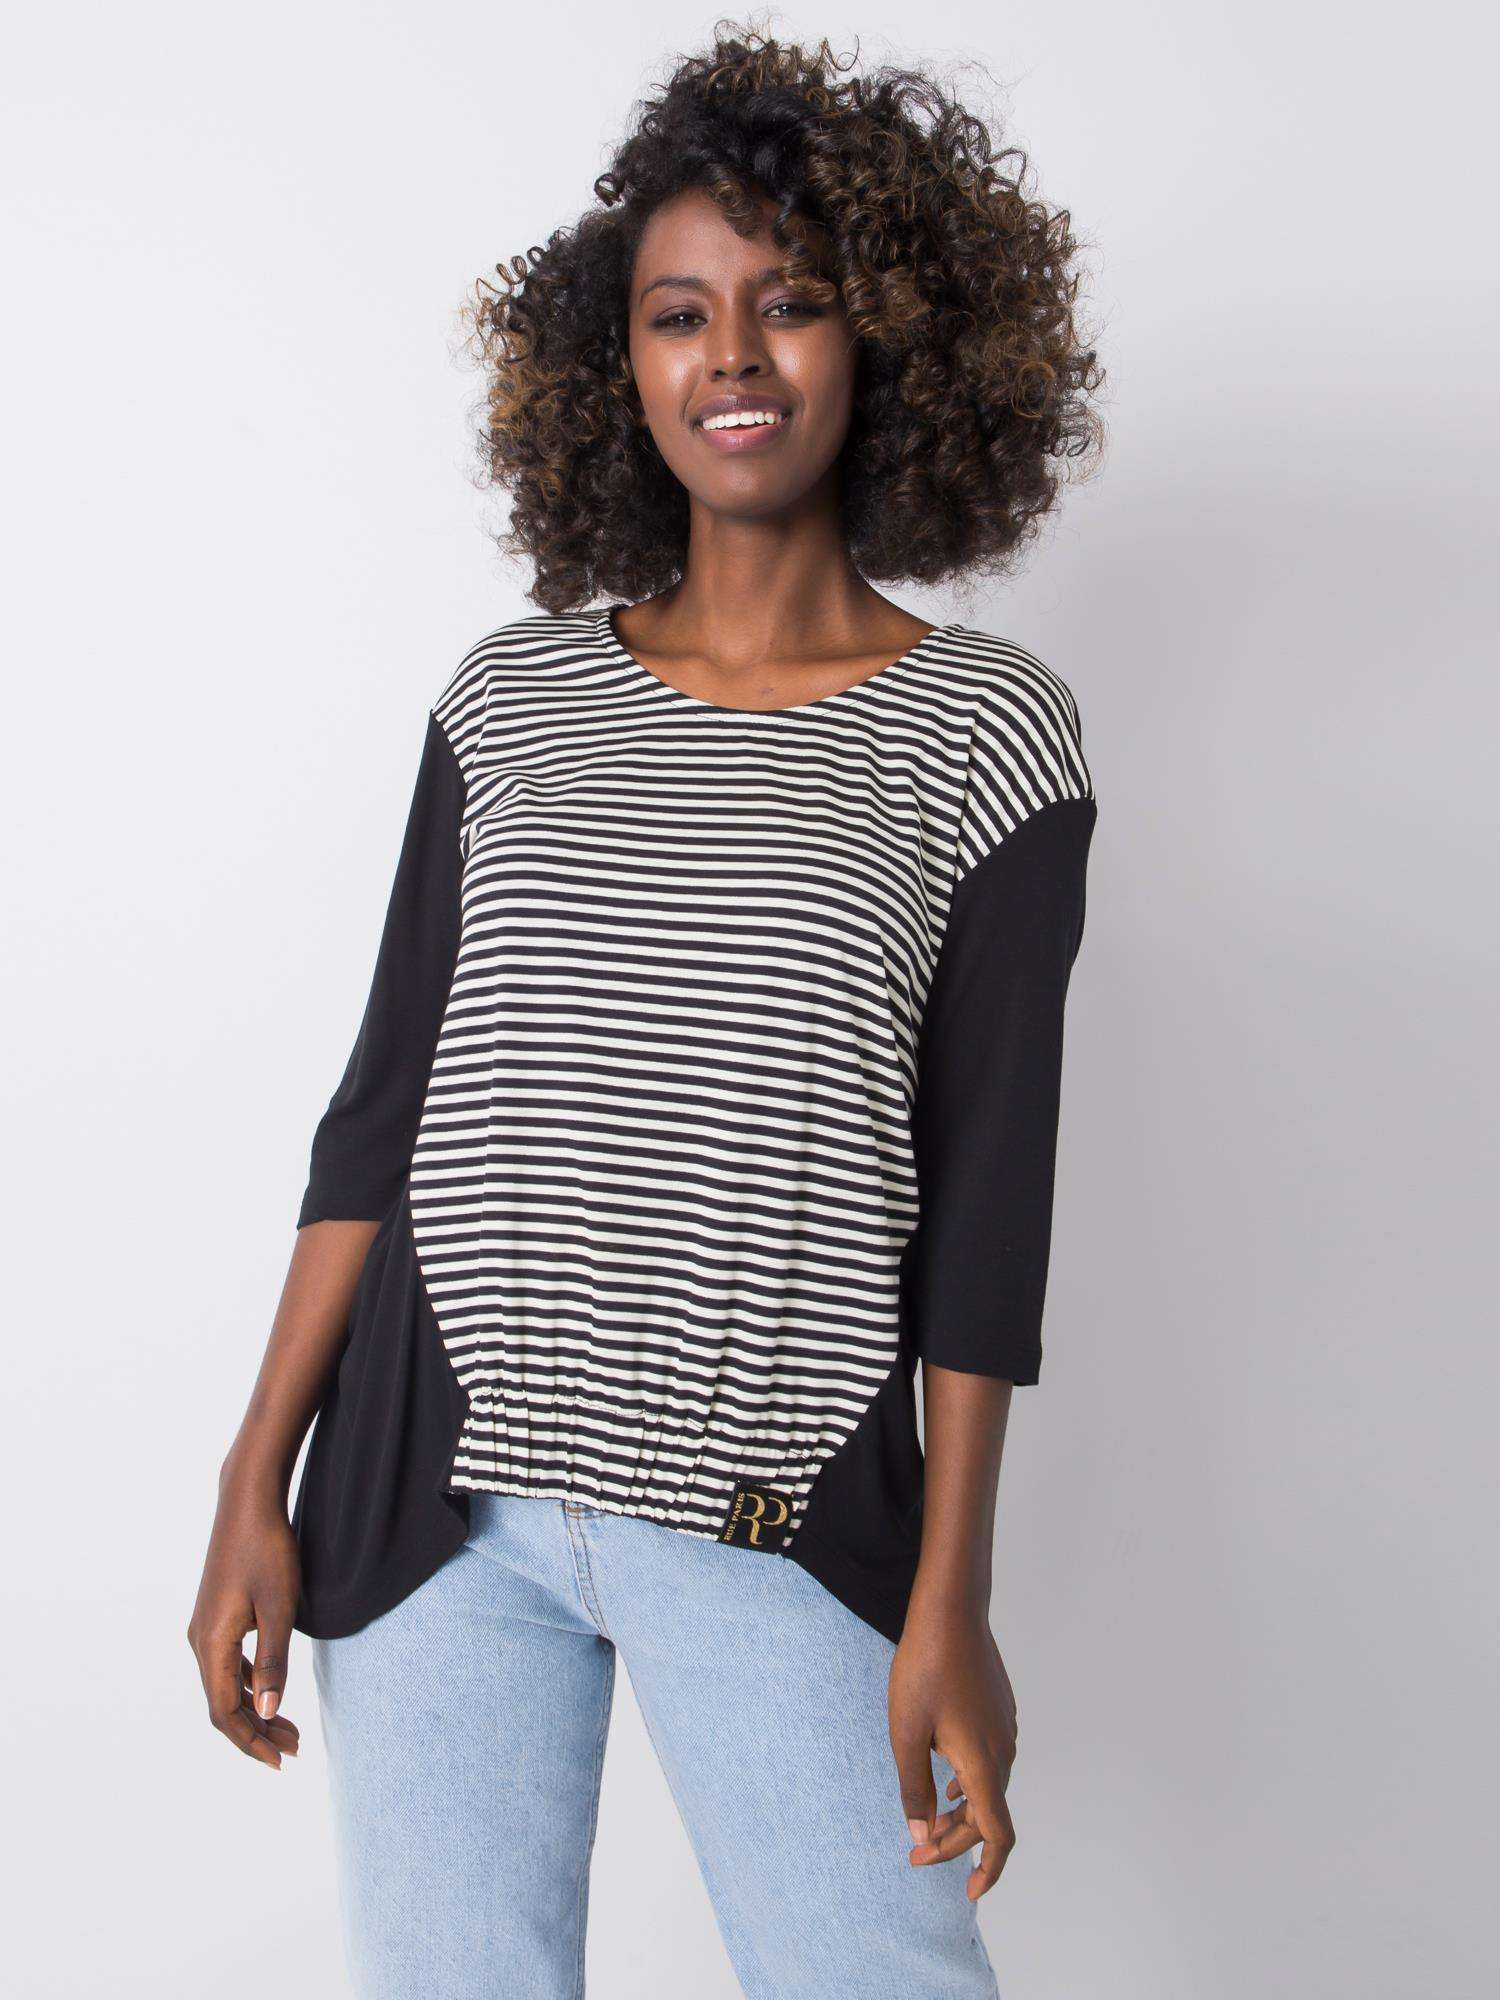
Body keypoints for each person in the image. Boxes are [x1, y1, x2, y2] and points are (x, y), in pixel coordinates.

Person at [188, 24, 1104, 1998]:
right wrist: (253, 1473)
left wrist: (952, 1592)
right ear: (618, 362)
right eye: (680, 315)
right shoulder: (507, 698)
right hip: (433, 1503)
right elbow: (378, 1117)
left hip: (777, 1508)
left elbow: (985, 1215)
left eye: (790, 304)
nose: (733, 358)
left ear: (889, 339)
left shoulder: (988, 733)